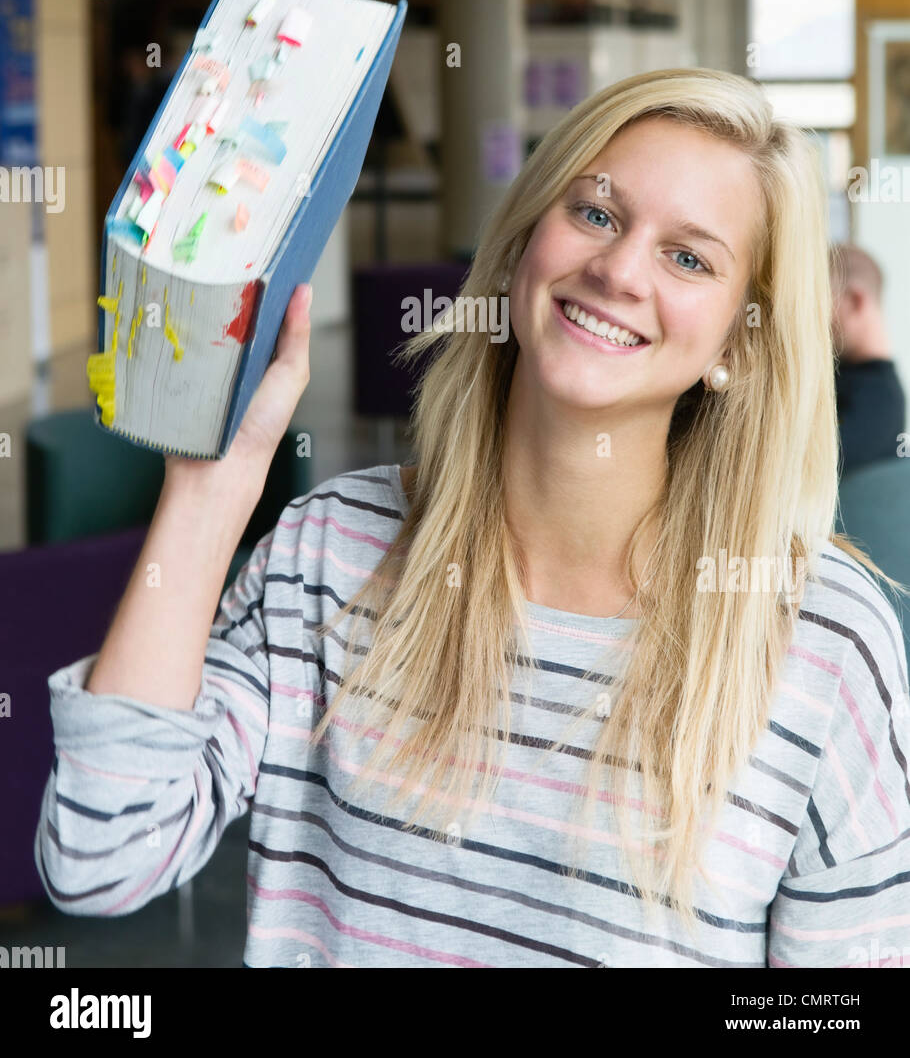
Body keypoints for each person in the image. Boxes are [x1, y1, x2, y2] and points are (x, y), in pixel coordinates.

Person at [35, 69, 910, 967]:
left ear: (736, 341)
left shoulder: (825, 642)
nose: (616, 270)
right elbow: (101, 856)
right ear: (526, 239)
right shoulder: (328, 550)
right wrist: (210, 490)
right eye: (597, 213)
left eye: (689, 258)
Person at [829, 243, 907, 474]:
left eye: (819, 303)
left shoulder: (880, 402)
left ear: (855, 301)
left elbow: (807, 466)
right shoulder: (838, 373)